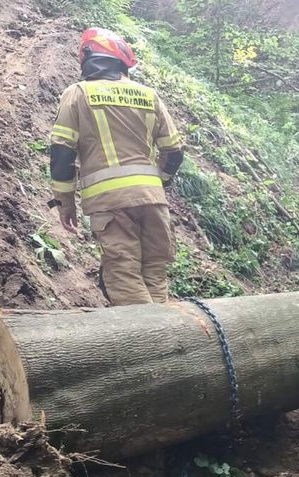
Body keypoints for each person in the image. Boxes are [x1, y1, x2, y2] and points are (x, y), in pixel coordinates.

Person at [49, 28, 185, 306]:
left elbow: (62, 152)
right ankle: (166, 339)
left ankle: (149, 345)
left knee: (123, 273)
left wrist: (66, 203)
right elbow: (174, 151)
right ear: (122, 62)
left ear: (87, 58)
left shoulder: (77, 94)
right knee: (154, 272)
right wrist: (160, 182)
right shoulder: (149, 96)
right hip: (153, 199)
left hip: (110, 203)